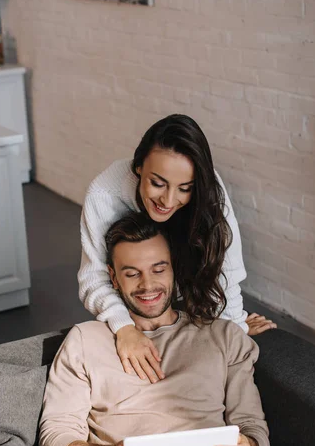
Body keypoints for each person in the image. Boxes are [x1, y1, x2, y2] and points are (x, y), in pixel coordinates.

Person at [40, 213, 315, 446]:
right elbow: (55, 442)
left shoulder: (222, 336)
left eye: (159, 268)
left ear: (174, 268)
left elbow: (253, 429)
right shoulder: (85, 340)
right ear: (113, 278)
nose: (147, 285)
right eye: (132, 273)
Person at [78, 114, 276, 384]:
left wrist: (235, 327)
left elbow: (224, 269)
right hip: (131, 307)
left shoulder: (209, 191)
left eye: (184, 189)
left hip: (185, 301)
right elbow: (94, 277)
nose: (168, 201)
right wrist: (123, 328)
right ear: (138, 167)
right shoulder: (104, 194)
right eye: (157, 183)